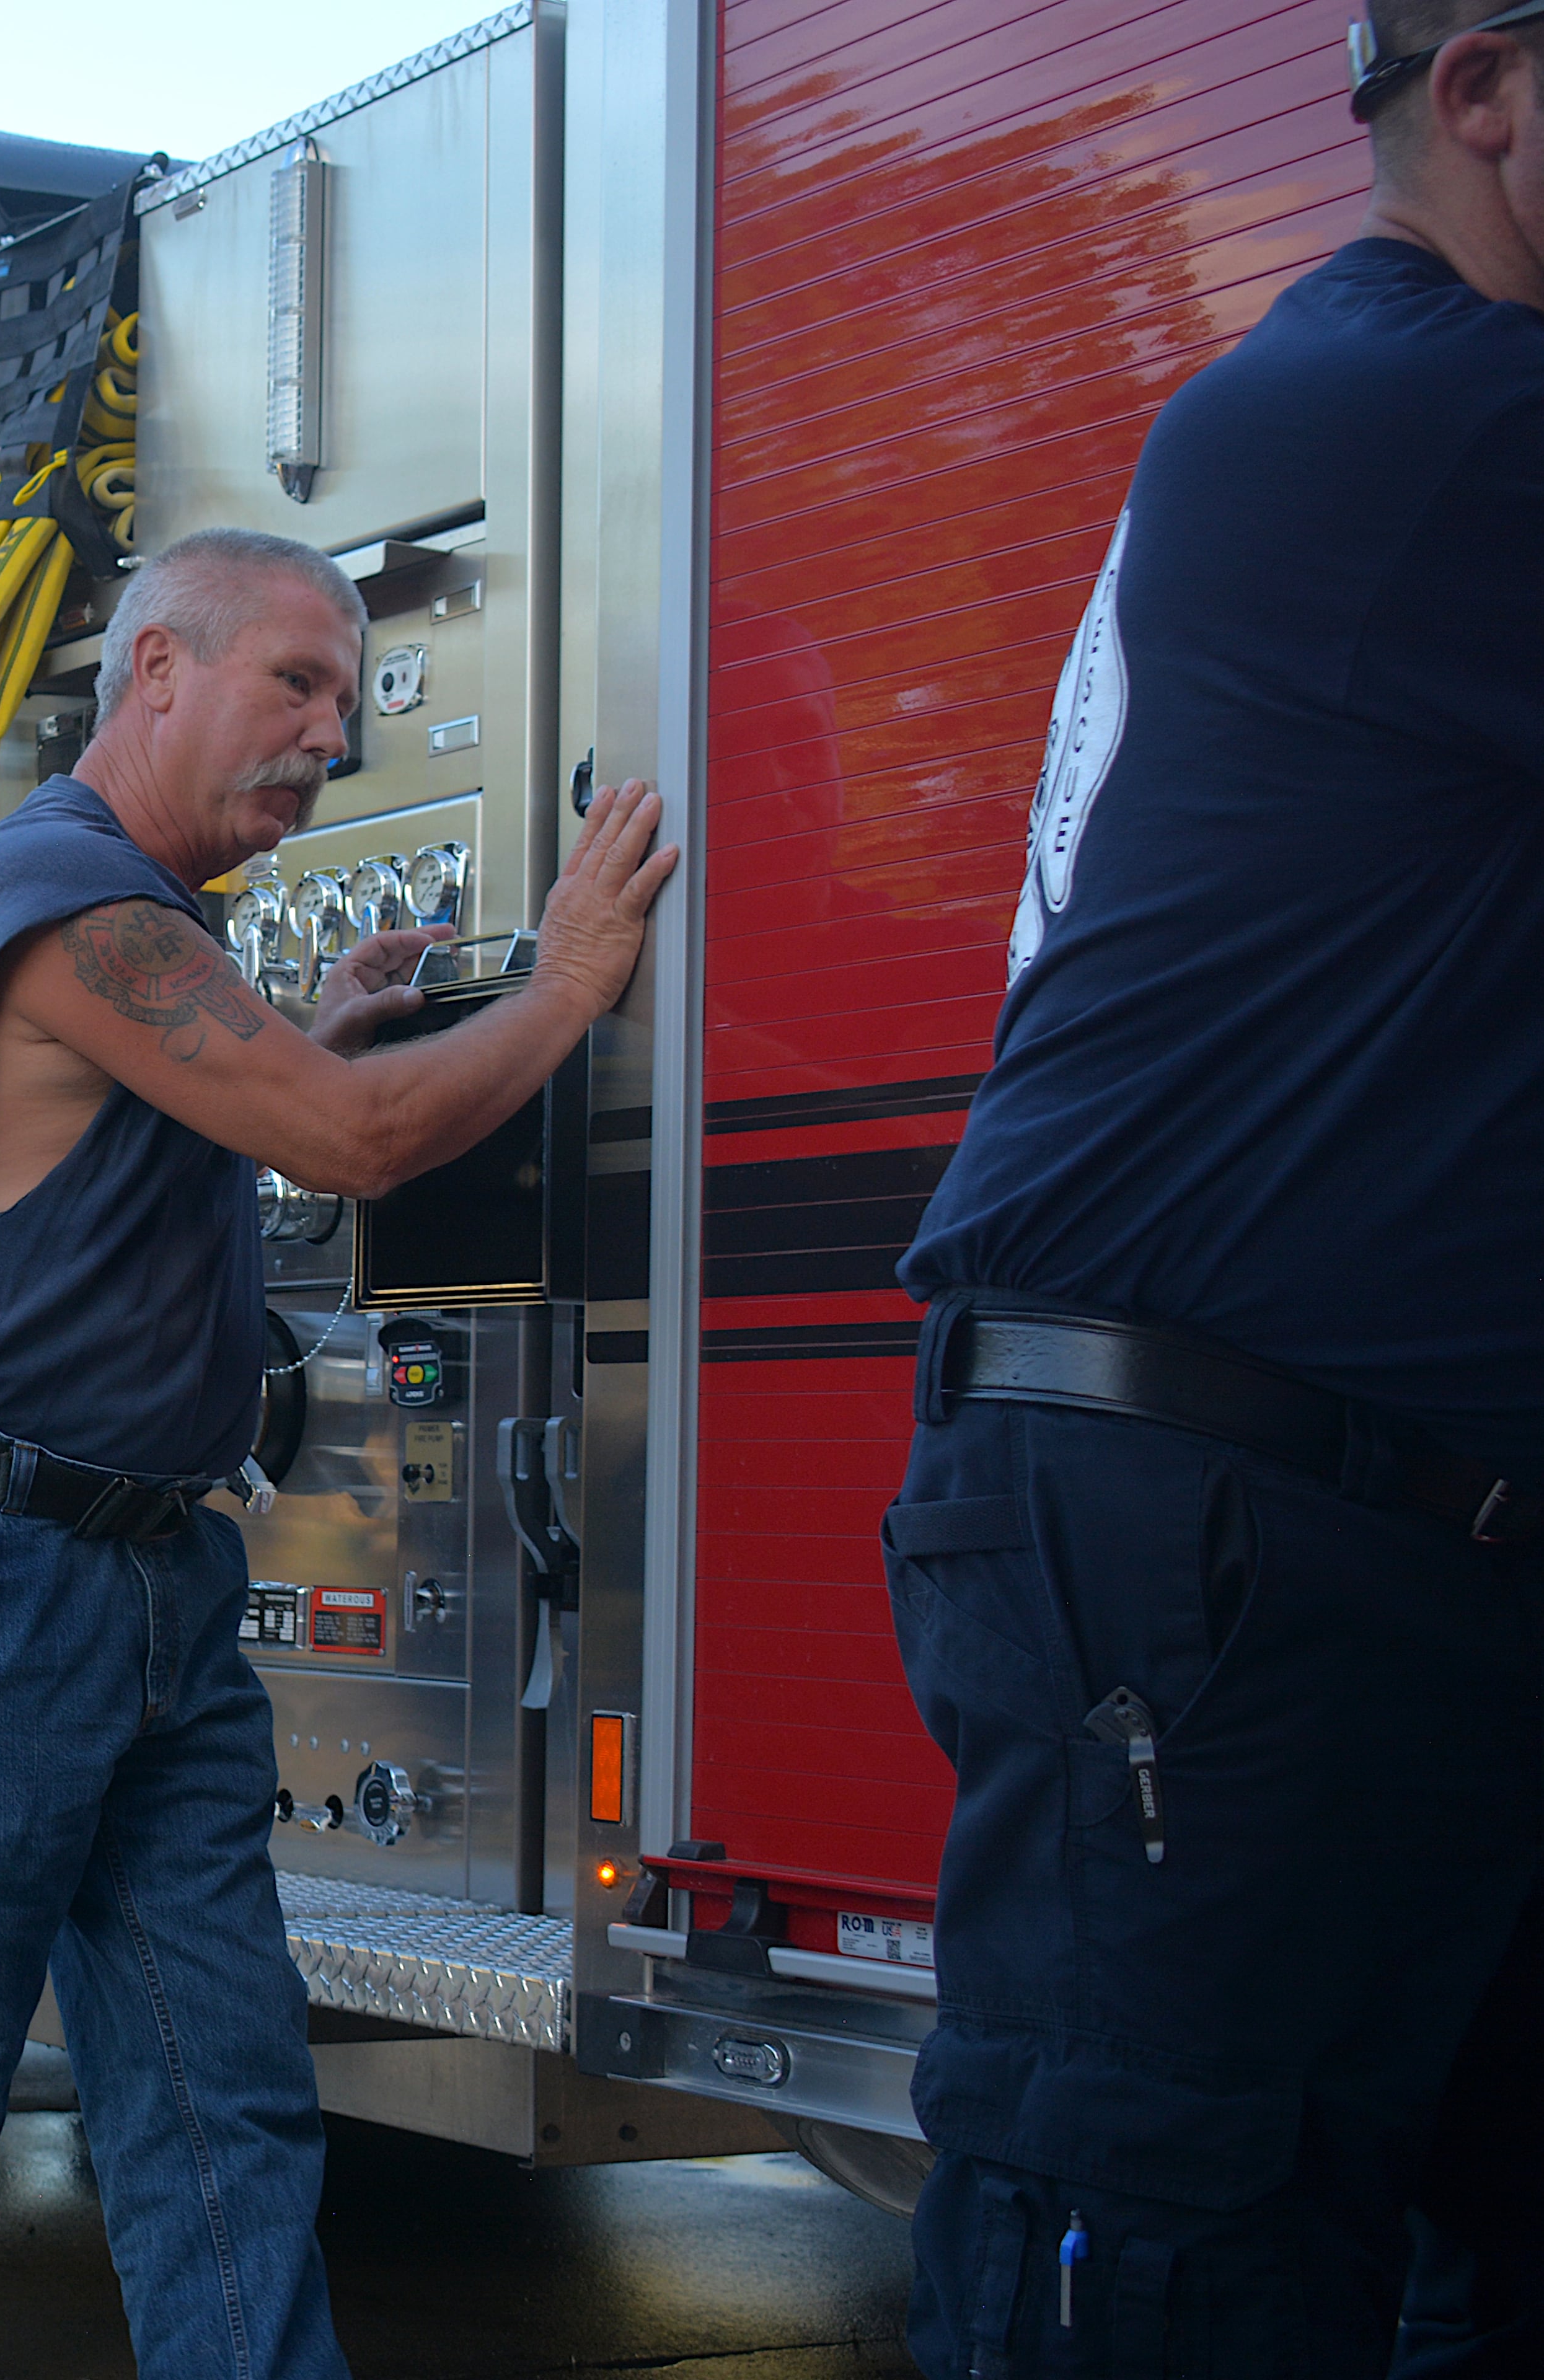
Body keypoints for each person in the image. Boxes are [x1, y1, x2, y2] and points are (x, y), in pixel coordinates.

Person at [0, 524, 674, 2378]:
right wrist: (566, 985)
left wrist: (306, 1042)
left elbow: (165, 1152)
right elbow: (352, 1143)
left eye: (347, 701)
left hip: (133, 1580)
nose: (329, 741)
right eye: (294, 683)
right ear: (155, 673)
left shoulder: (105, 923)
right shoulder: (77, 905)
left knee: (221, 2101)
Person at [886, 13, 1544, 2374]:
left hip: (1362, 1545)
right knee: (1177, 2281)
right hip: (1217, 1554)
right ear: (1480, 96)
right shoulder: (1422, 421)